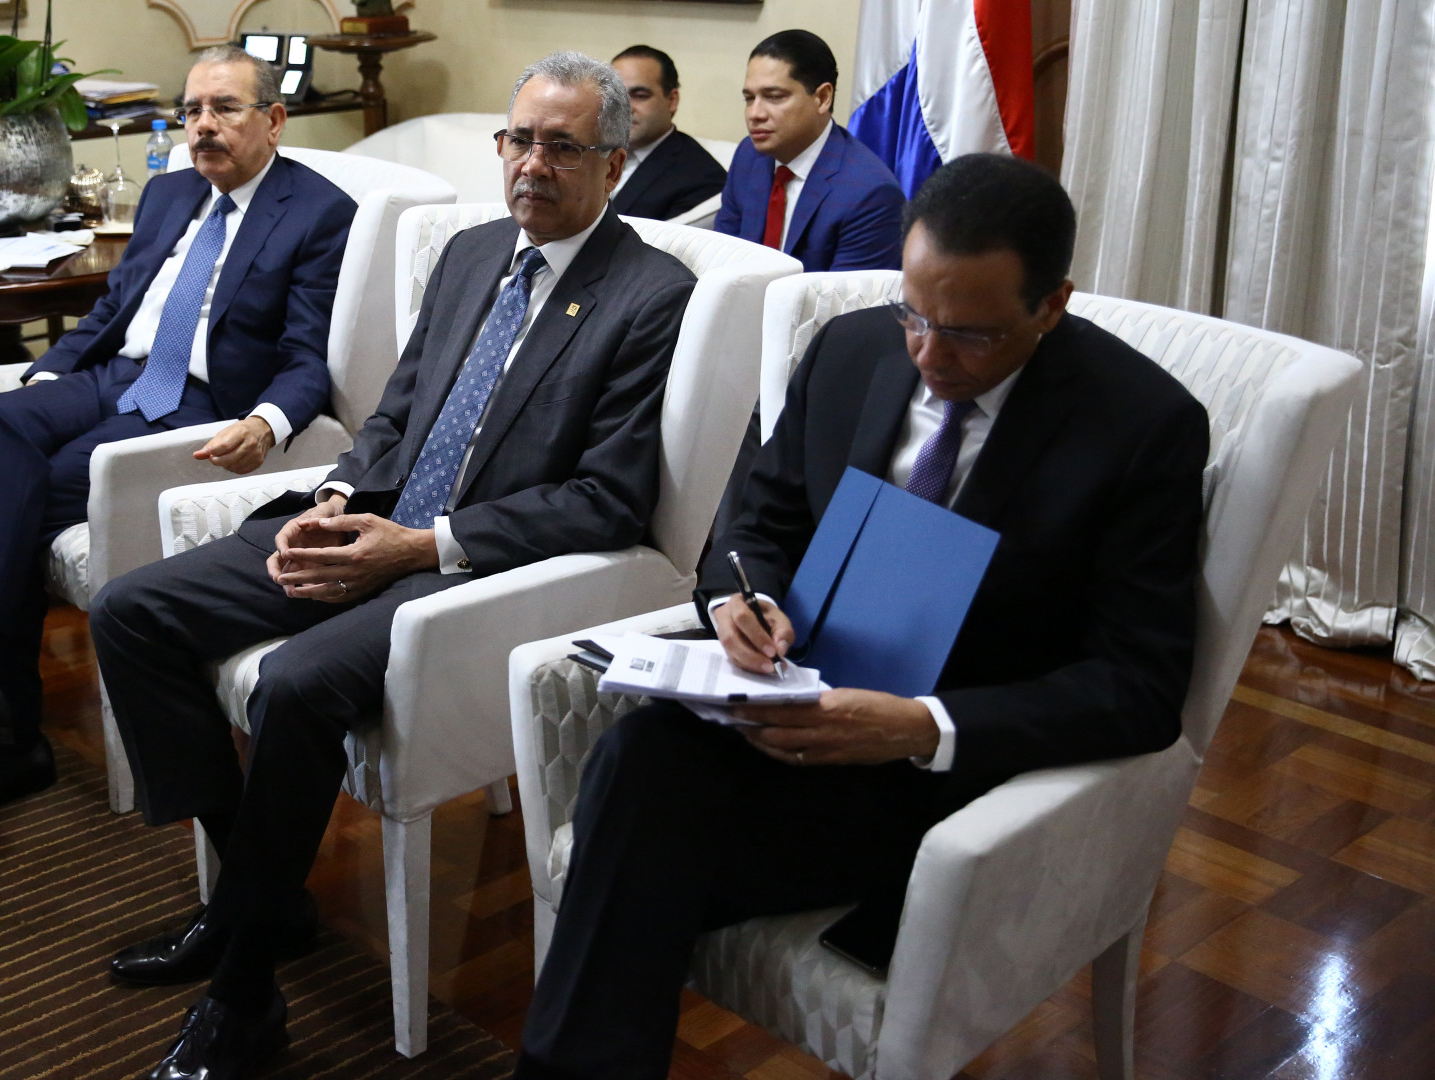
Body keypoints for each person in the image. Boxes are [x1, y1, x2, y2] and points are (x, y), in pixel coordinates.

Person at [514, 154, 1209, 1079]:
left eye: (969, 335)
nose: (928, 355)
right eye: (914, 314)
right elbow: (755, 521)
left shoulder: (1141, 425)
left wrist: (922, 727)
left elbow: (1140, 686)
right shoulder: (850, 349)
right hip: (798, 700)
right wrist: (742, 598)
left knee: (631, 860)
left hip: (948, 773)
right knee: (637, 759)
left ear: (1052, 306)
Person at [90, 51, 697, 1080]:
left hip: (464, 570)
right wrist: (335, 499)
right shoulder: (471, 253)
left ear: (614, 164)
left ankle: (243, 994)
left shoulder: (649, 293)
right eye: (518, 141)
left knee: (294, 683)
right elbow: (397, 414)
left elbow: (607, 499)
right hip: (372, 522)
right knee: (129, 612)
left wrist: (421, 547)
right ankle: (258, 897)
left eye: (562, 148)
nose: (531, 166)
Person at [0, 46, 357, 827]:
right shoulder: (169, 192)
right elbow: (112, 310)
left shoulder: (318, 212)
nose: (203, 126)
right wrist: (49, 376)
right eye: (192, 111)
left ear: (274, 119)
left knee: (32, 487)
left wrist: (267, 421)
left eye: (225, 108)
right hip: (114, 374)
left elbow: (306, 355)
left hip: (197, 401)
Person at [713, 29, 904, 272]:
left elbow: (845, 294)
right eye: (749, 98)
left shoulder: (870, 194)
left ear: (823, 98)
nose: (755, 114)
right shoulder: (748, 155)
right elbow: (719, 260)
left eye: (774, 97)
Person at [608, 45, 728, 221]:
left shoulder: (701, 177)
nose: (624, 108)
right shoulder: (588, 149)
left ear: (672, 100)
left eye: (639, 95)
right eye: (615, 96)